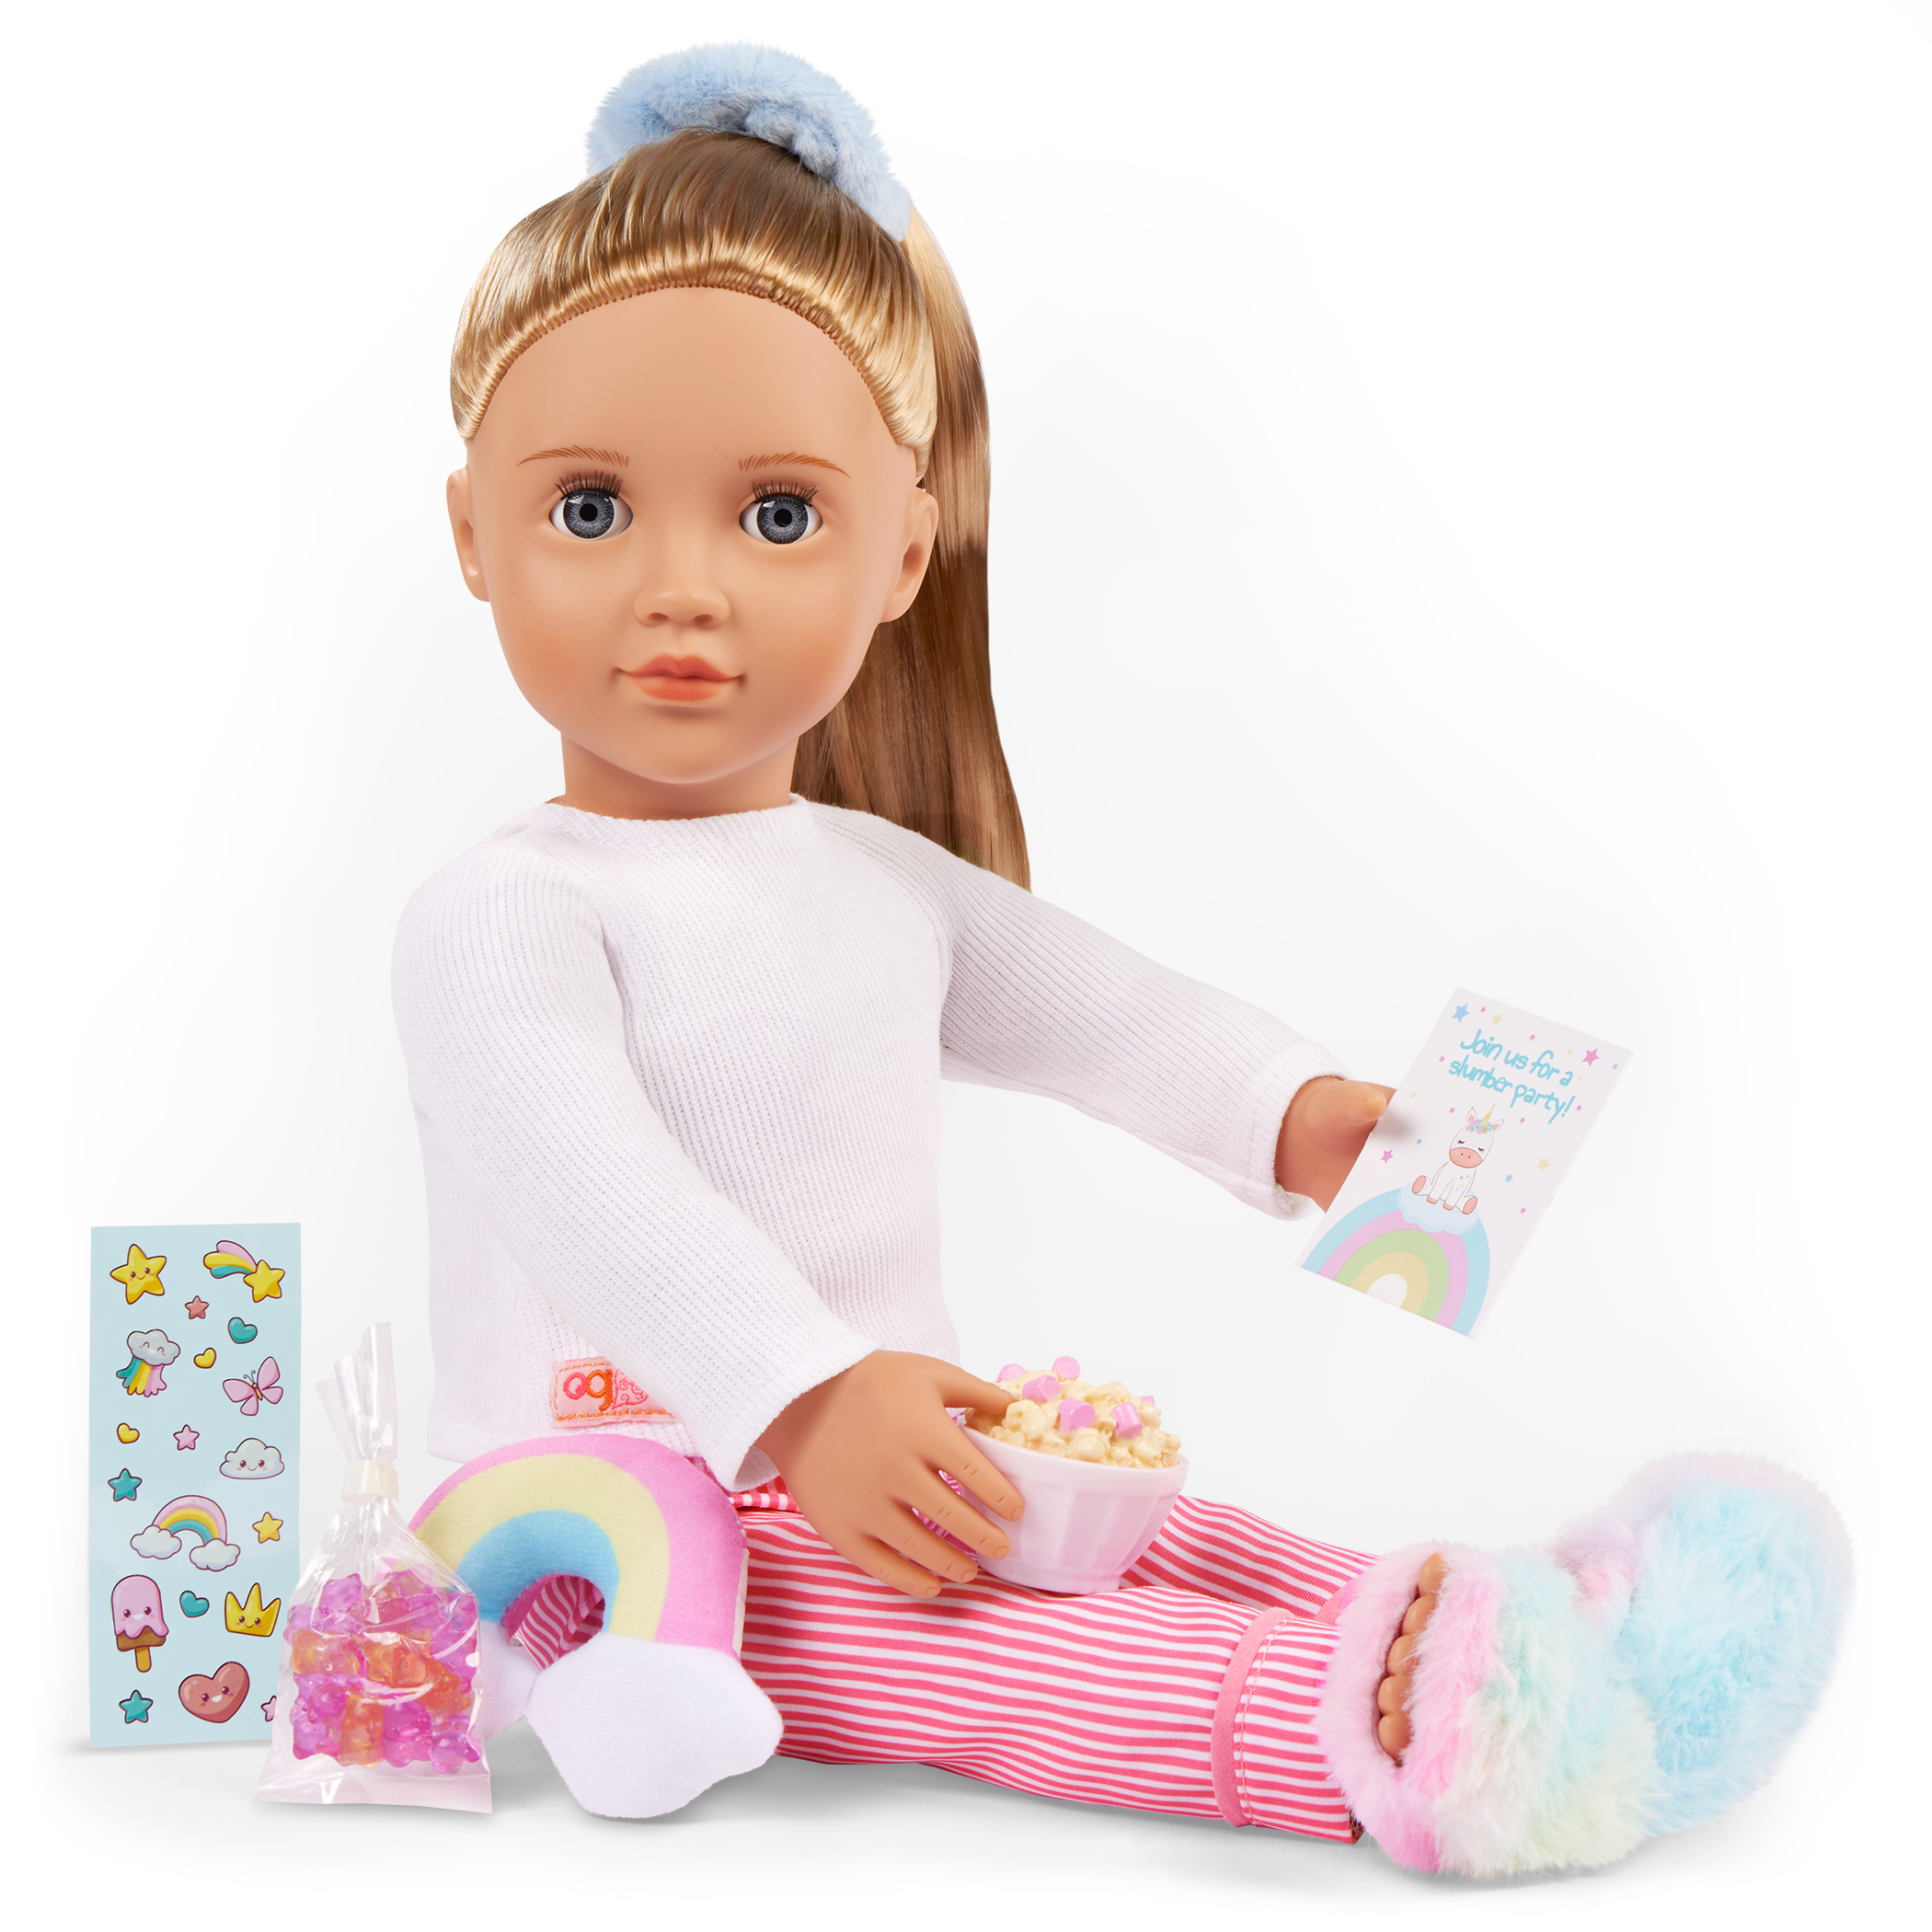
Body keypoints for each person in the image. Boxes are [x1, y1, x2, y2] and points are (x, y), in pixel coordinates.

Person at [391, 40, 1857, 1871]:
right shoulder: (499, 911)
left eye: (779, 517)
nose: (683, 585)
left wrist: (1296, 1113)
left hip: (882, 1439)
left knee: (1177, 1539)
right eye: (591, 509)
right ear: (475, 534)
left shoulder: (876, 878)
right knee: (995, 1660)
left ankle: (1550, 1639)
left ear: (901, 556)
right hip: (613, 1514)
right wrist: (805, 1394)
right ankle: (1374, 1743)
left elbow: (1102, 1013)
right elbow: (584, 1187)